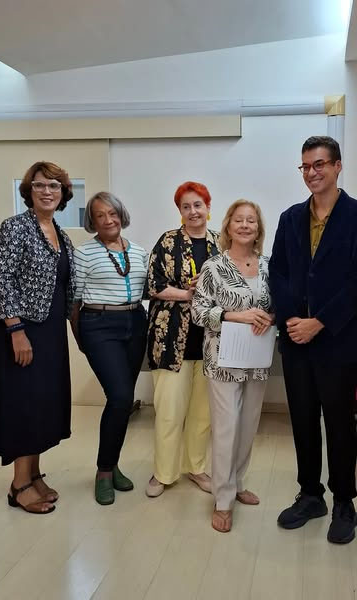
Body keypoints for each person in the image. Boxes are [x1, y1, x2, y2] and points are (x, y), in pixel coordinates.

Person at [269, 136, 357, 544]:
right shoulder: (289, 218)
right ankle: (311, 495)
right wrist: (291, 319)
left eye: (319, 165)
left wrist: (320, 322)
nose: (312, 173)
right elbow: (278, 273)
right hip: (295, 339)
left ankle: (344, 502)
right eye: (306, 166)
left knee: (339, 423)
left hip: (335, 339)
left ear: (337, 166)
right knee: (302, 420)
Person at [0, 161, 76, 514]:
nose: (47, 191)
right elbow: (0, 280)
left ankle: (34, 474)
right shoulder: (15, 227)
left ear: (63, 193)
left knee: (43, 404)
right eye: (39, 185)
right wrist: (15, 330)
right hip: (20, 331)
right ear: (29, 190)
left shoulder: (60, 233)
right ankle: (19, 485)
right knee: (24, 404)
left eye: (54, 186)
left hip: (49, 330)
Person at [192, 200, 273, 533]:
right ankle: (222, 499)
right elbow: (198, 312)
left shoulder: (269, 266)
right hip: (223, 358)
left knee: (248, 426)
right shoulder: (213, 266)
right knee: (226, 428)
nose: (244, 225)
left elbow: (279, 305)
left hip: (257, 358)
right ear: (228, 226)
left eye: (251, 220)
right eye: (238, 220)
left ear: (258, 228)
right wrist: (233, 316)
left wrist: (271, 317)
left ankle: (237, 482)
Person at [71, 192, 149, 505]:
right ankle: (104, 472)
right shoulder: (84, 253)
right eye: (100, 215)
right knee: (119, 396)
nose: (108, 220)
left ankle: (113, 463)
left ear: (121, 215)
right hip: (99, 325)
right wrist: (81, 339)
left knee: (124, 400)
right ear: (92, 221)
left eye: (112, 213)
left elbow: (151, 289)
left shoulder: (139, 251)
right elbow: (74, 301)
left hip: (135, 323)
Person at [145, 181, 220, 498]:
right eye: (186, 206)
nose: (193, 211)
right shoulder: (168, 242)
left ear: (208, 207)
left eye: (198, 205)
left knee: (202, 414)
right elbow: (153, 285)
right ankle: (163, 473)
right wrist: (189, 293)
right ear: (180, 211)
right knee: (169, 412)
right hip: (170, 339)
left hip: (210, 341)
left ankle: (196, 467)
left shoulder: (221, 243)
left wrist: (210, 290)